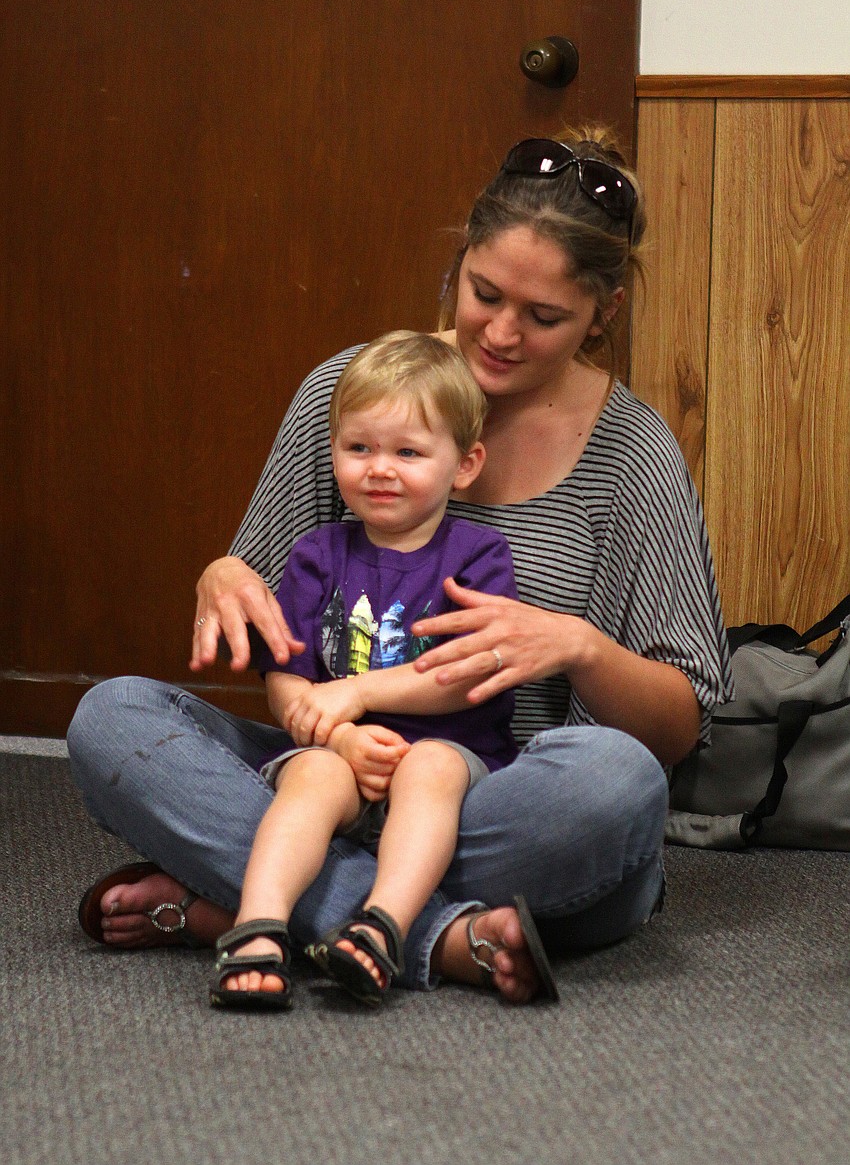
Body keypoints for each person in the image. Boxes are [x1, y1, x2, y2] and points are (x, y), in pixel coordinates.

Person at [69, 125, 734, 1006]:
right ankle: (437, 938)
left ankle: (252, 900)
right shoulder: (351, 390)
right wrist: (222, 574)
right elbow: (268, 604)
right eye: (484, 292)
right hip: (331, 767)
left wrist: (575, 645)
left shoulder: (633, 453)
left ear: (602, 315)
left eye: (544, 318)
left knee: (615, 787)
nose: (499, 334)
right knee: (112, 718)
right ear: (459, 261)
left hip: (499, 792)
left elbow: (678, 725)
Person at [210, 332, 555, 1009]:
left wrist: (357, 691)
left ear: (464, 463)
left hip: (450, 754)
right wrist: (334, 734)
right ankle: (258, 927)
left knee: (431, 767)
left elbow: (463, 671)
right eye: (359, 447)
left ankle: (383, 926)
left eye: (408, 452)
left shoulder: (480, 556)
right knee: (309, 771)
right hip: (342, 754)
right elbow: (287, 670)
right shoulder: (318, 553)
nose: (379, 469)